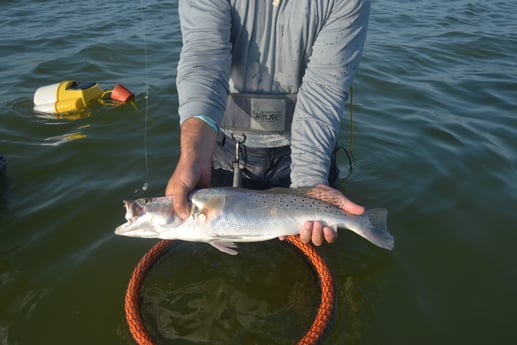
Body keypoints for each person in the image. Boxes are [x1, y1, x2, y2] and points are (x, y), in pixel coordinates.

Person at [166, 0, 370, 246]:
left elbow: (323, 90)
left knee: (310, 247)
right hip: (223, 151)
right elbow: (204, 60)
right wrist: (194, 156)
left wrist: (308, 186)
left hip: (304, 152)